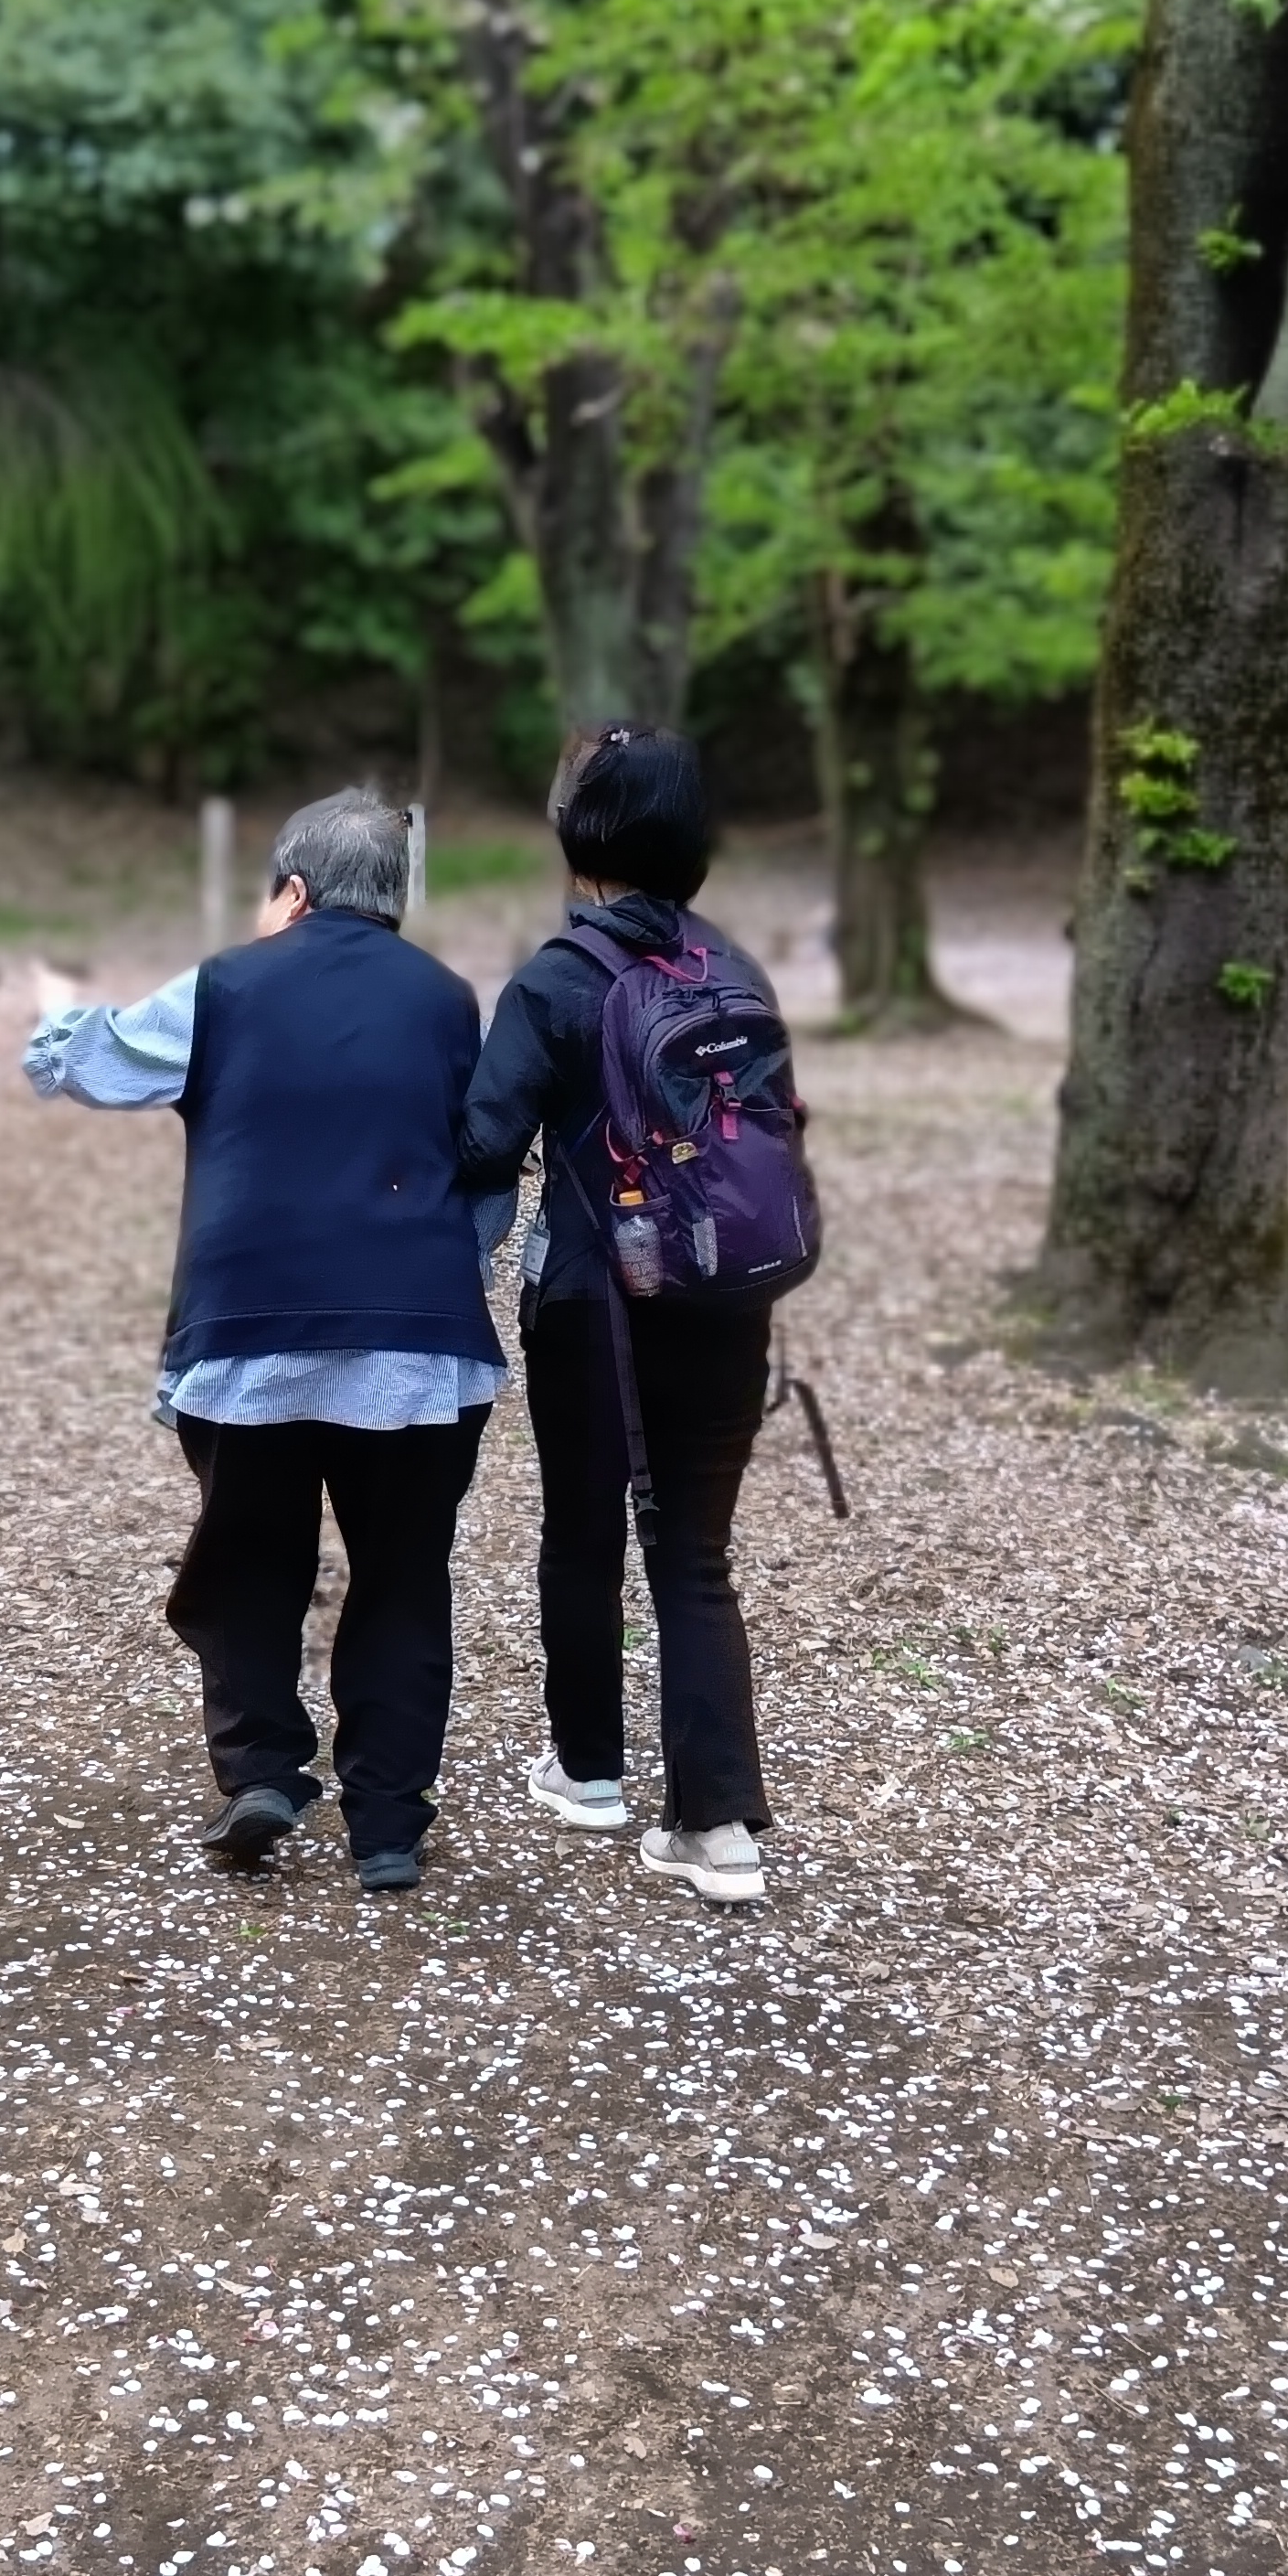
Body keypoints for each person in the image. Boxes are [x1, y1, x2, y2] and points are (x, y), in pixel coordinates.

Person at [24, 790, 504, 1893]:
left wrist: (57, 1013)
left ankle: (262, 1772)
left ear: (292, 890)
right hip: (416, 1340)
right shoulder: (447, 999)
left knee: (248, 1555)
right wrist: (452, 1272)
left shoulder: (226, 986)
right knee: (402, 1575)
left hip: (248, 1332)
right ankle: (388, 1824)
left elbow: (79, 1062)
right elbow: (479, 1162)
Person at [460, 726, 782, 1907]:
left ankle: (590, 1769)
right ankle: (716, 1824)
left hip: (595, 1297)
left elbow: (483, 1140)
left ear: (581, 834)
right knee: (693, 1552)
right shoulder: (732, 971)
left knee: (583, 1534)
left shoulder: (556, 979)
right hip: (730, 1291)